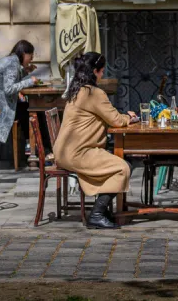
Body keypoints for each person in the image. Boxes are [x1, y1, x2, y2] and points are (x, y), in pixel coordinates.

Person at [53, 52, 139, 229]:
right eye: (101, 71)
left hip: (65, 150)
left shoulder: (77, 89)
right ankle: (97, 214)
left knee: (123, 163)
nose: (102, 75)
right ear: (95, 71)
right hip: (78, 152)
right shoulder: (93, 93)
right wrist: (129, 117)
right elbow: (116, 120)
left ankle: (103, 211)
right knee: (123, 168)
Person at [0, 40, 41, 166]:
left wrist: (25, 71)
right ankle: (39, 151)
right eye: (31, 56)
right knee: (35, 113)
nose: (31, 59)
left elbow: (11, 79)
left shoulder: (10, 61)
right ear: (24, 53)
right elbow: (9, 89)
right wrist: (30, 81)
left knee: (29, 110)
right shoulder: (12, 63)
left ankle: (34, 149)